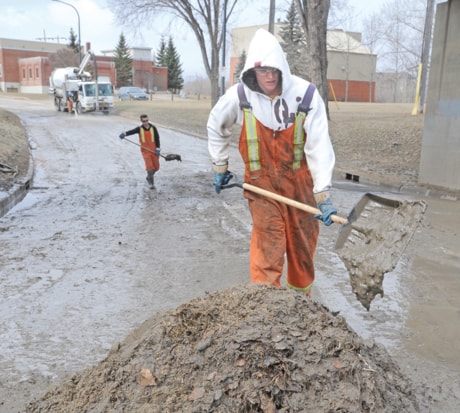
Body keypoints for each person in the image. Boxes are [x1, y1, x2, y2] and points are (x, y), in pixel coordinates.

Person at [207, 28, 337, 296]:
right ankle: (265, 310)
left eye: (272, 70)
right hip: (261, 188)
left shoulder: (307, 95)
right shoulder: (239, 97)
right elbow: (215, 125)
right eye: (262, 70)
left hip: (301, 189)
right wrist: (220, 165)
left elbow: (319, 145)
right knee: (268, 246)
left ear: (281, 69)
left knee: (302, 252)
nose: (268, 76)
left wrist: (322, 193)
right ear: (252, 72)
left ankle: (300, 309)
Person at [119, 114, 161, 189]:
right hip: (145, 151)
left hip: (154, 150)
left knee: (156, 167)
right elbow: (131, 131)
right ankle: (151, 184)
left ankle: (148, 177)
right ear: (141, 121)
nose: (146, 122)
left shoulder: (153, 128)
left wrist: (158, 148)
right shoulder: (139, 128)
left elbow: (157, 138)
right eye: (144, 121)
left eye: (147, 120)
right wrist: (124, 134)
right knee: (149, 167)